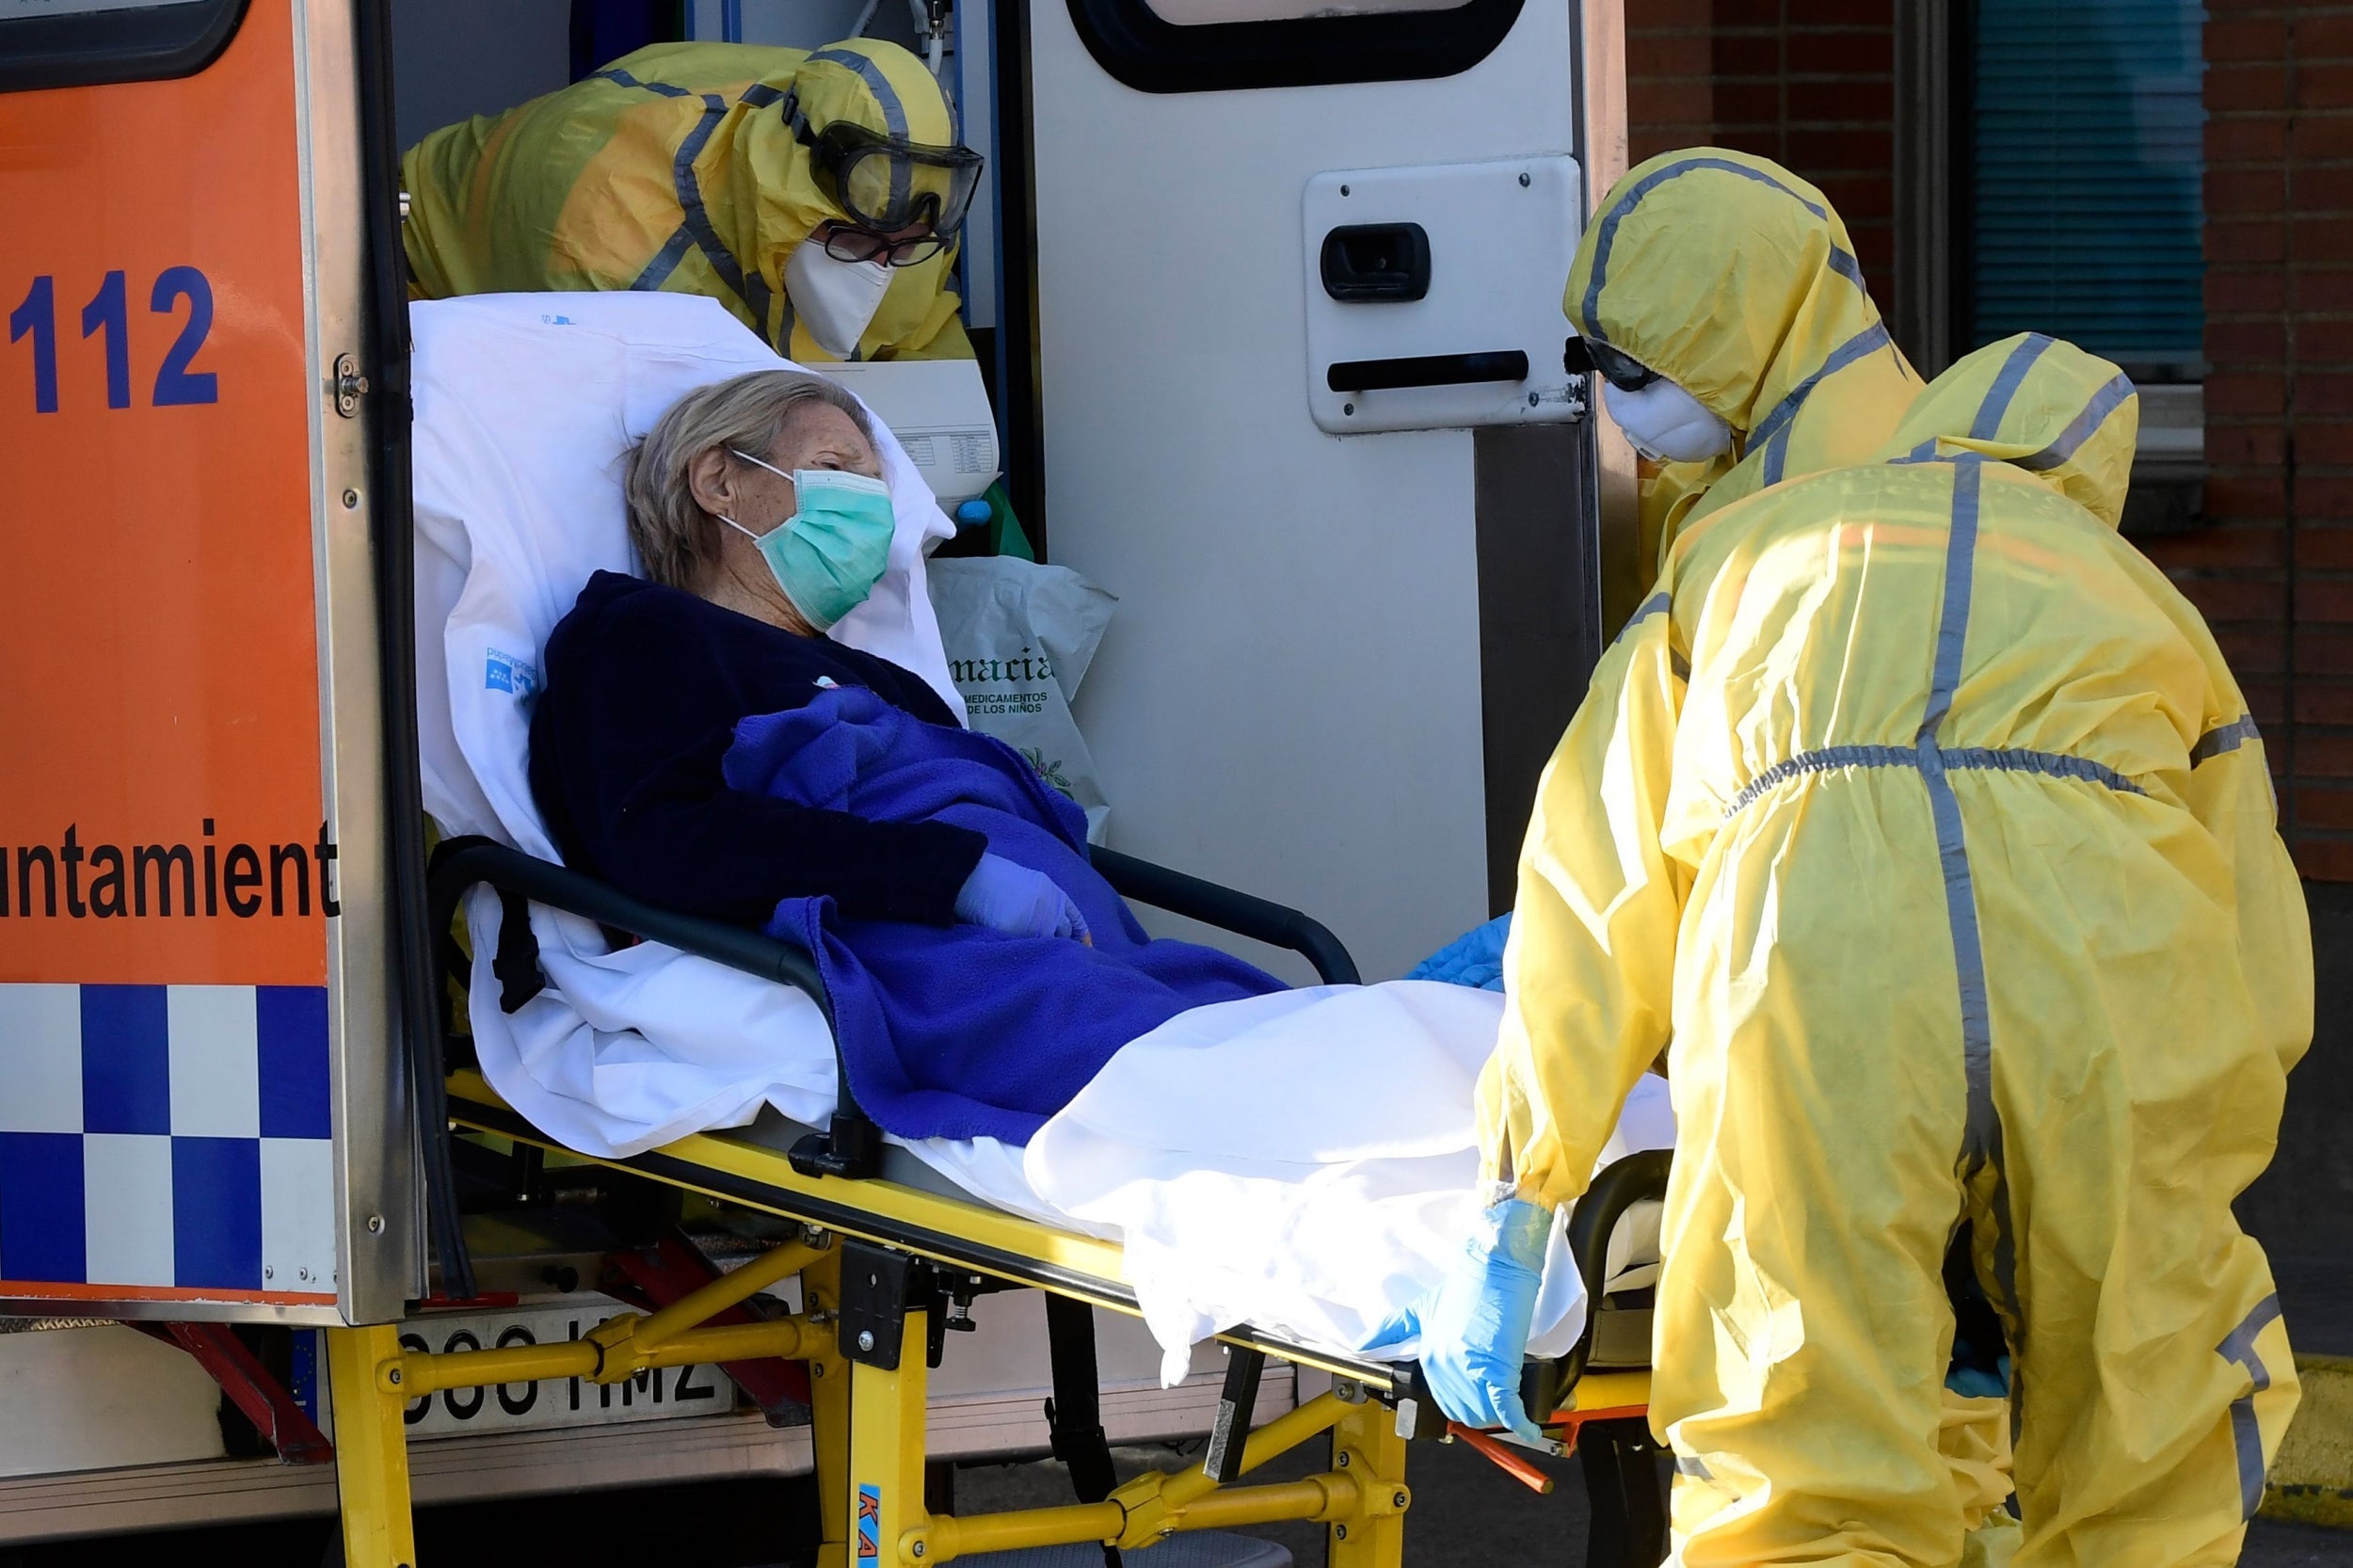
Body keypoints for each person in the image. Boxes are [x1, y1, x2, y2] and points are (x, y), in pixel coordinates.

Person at [1400, 334, 2310, 1565]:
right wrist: (2184, 1142)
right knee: (2144, 1440)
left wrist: (1525, 1190)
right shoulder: (2145, 598)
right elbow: (2250, 945)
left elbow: (1594, 881)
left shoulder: (1751, 545)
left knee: (1800, 1445)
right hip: (2108, 985)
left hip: (1820, 966)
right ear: (2098, 475)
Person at [530, 370, 1282, 1144]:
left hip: (1087, 950)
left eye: (878, 487)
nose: (870, 507)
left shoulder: (889, 682)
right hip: (924, 957)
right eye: (836, 467)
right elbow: (659, 838)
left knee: (1254, 1012)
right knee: (1205, 1081)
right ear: (721, 481)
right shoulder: (640, 634)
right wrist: (952, 875)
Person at [403, 40, 980, 363]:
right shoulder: (605, 243)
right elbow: (603, 435)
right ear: (789, 195)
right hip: (417, 255)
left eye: (899, 253)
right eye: (858, 246)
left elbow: (921, 334)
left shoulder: (902, 212)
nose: (879, 272)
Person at [1568, 148, 1925, 578]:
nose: (1615, 394)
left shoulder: (1813, 502)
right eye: (1601, 356)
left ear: (1740, 323)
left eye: (1633, 362)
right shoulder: (1784, 425)